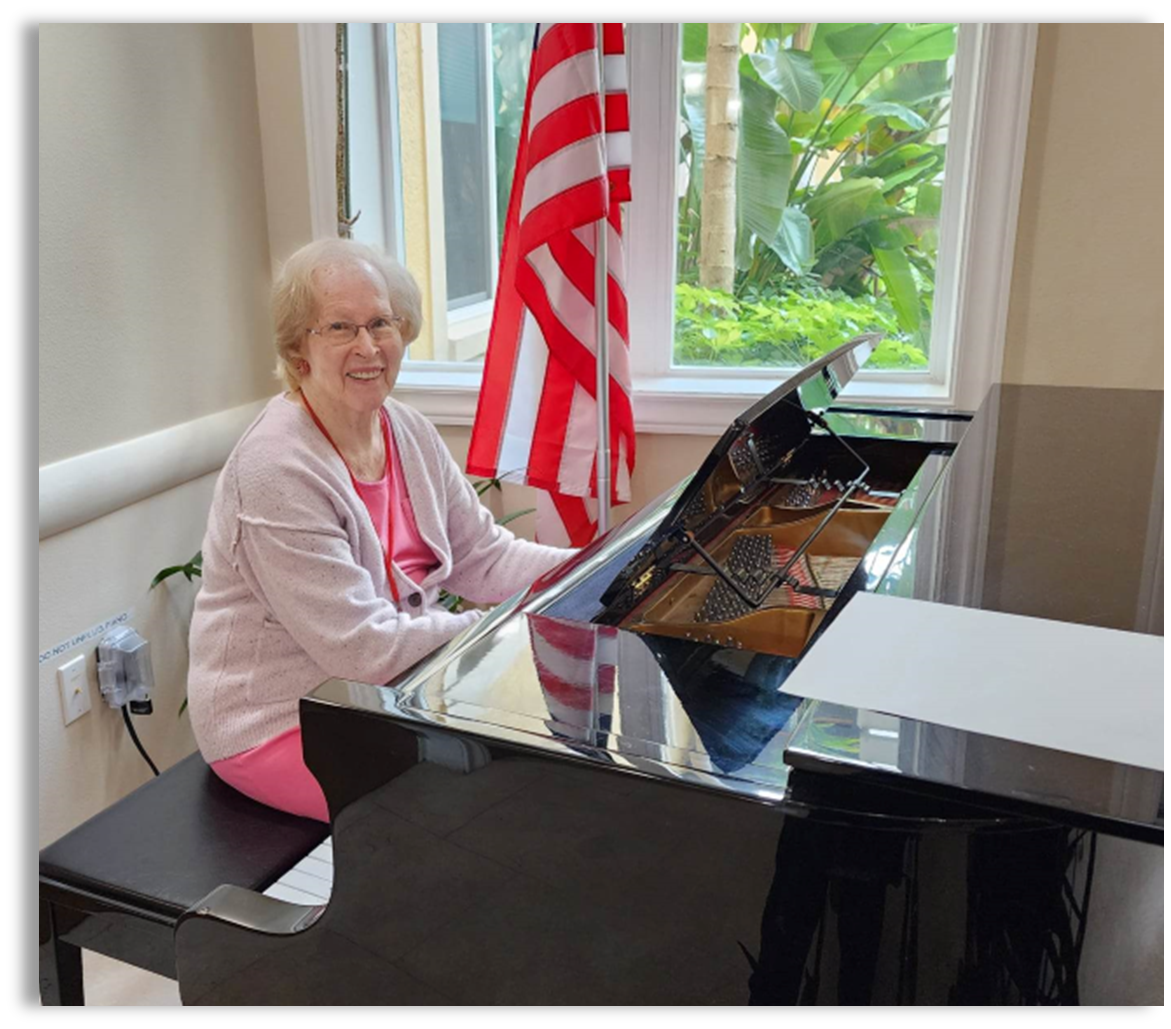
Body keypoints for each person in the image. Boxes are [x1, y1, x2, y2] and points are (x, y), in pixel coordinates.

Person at [186, 238, 572, 822]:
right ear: (298, 349)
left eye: (380, 323)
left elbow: (484, 556)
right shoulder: (275, 470)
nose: (367, 347)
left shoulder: (405, 429)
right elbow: (363, 649)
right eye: (339, 327)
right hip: (283, 719)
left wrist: (591, 567)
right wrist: (502, 630)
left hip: (391, 691)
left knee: (546, 768)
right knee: (476, 814)